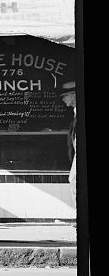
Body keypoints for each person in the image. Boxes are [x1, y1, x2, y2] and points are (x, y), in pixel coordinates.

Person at [59, 80, 77, 219]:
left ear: (73, 95)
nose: (63, 99)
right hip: (76, 155)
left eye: (65, 96)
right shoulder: (75, 112)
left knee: (74, 181)